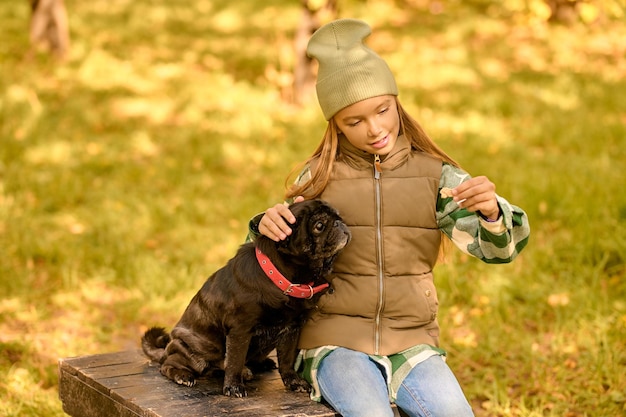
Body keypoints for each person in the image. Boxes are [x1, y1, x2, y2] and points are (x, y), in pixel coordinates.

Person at [247, 18, 530, 417]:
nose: (375, 128)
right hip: (332, 341)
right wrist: (266, 226)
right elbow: (265, 266)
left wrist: (492, 213)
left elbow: (501, 252)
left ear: (396, 101)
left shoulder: (437, 176)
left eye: (382, 109)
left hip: (413, 342)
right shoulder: (318, 177)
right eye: (354, 121)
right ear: (336, 126)